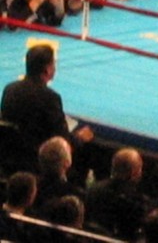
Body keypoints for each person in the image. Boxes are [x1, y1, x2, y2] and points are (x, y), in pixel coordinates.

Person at [1, 44, 93, 172]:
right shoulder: (50, 98)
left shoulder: (9, 89)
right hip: (37, 163)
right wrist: (80, 138)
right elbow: (62, 140)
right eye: (53, 64)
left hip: (9, 158)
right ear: (47, 69)